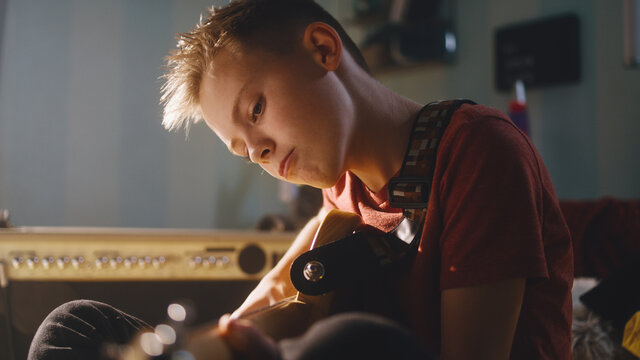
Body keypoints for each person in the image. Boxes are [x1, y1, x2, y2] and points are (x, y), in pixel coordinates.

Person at [28, 0, 573, 359]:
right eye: (242, 150)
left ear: (323, 49)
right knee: (74, 324)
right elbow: (265, 307)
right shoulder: (340, 193)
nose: (259, 150)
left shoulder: (481, 150)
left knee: (343, 342)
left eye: (257, 109)